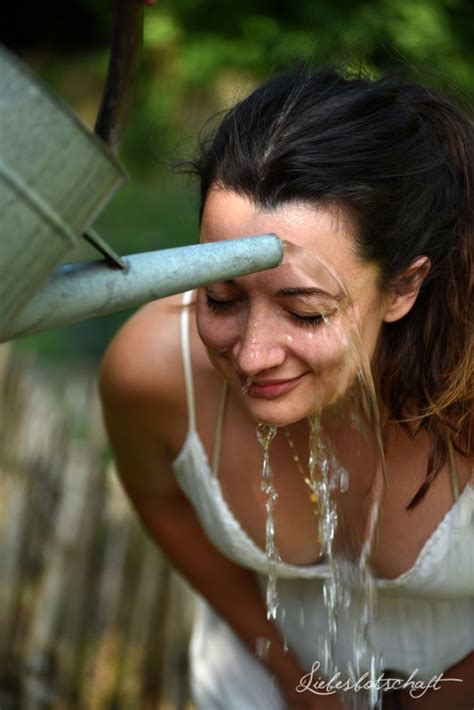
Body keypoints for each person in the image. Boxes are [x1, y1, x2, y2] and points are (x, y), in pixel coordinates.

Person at [99, 64, 473, 709]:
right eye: (221, 297)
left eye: (306, 312)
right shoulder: (153, 370)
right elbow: (164, 506)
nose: (251, 356)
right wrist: (287, 672)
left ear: (402, 287)